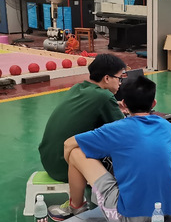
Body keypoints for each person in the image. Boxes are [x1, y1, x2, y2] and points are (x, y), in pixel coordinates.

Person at [47, 76, 171, 222]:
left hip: (126, 215)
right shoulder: (167, 126)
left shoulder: (115, 129)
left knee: (76, 152)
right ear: (154, 103)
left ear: (124, 104)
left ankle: (75, 207)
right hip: (165, 211)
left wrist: (77, 169)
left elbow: (68, 144)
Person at [38, 54, 126, 182]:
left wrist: (114, 106)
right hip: (66, 168)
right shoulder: (104, 96)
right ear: (107, 78)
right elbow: (125, 131)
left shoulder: (77, 88)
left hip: (49, 161)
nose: (120, 83)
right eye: (119, 78)